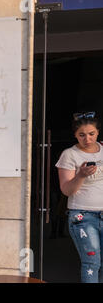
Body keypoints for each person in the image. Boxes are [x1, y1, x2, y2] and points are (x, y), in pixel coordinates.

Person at [56, 111, 103, 282]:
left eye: (92, 134)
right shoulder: (69, 154)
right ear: (75, 135)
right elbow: (67, 190)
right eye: (82, 135)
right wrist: (80, 175)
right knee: (91, 263)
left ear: (98, 132)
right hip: (83, 216)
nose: (87, 139)